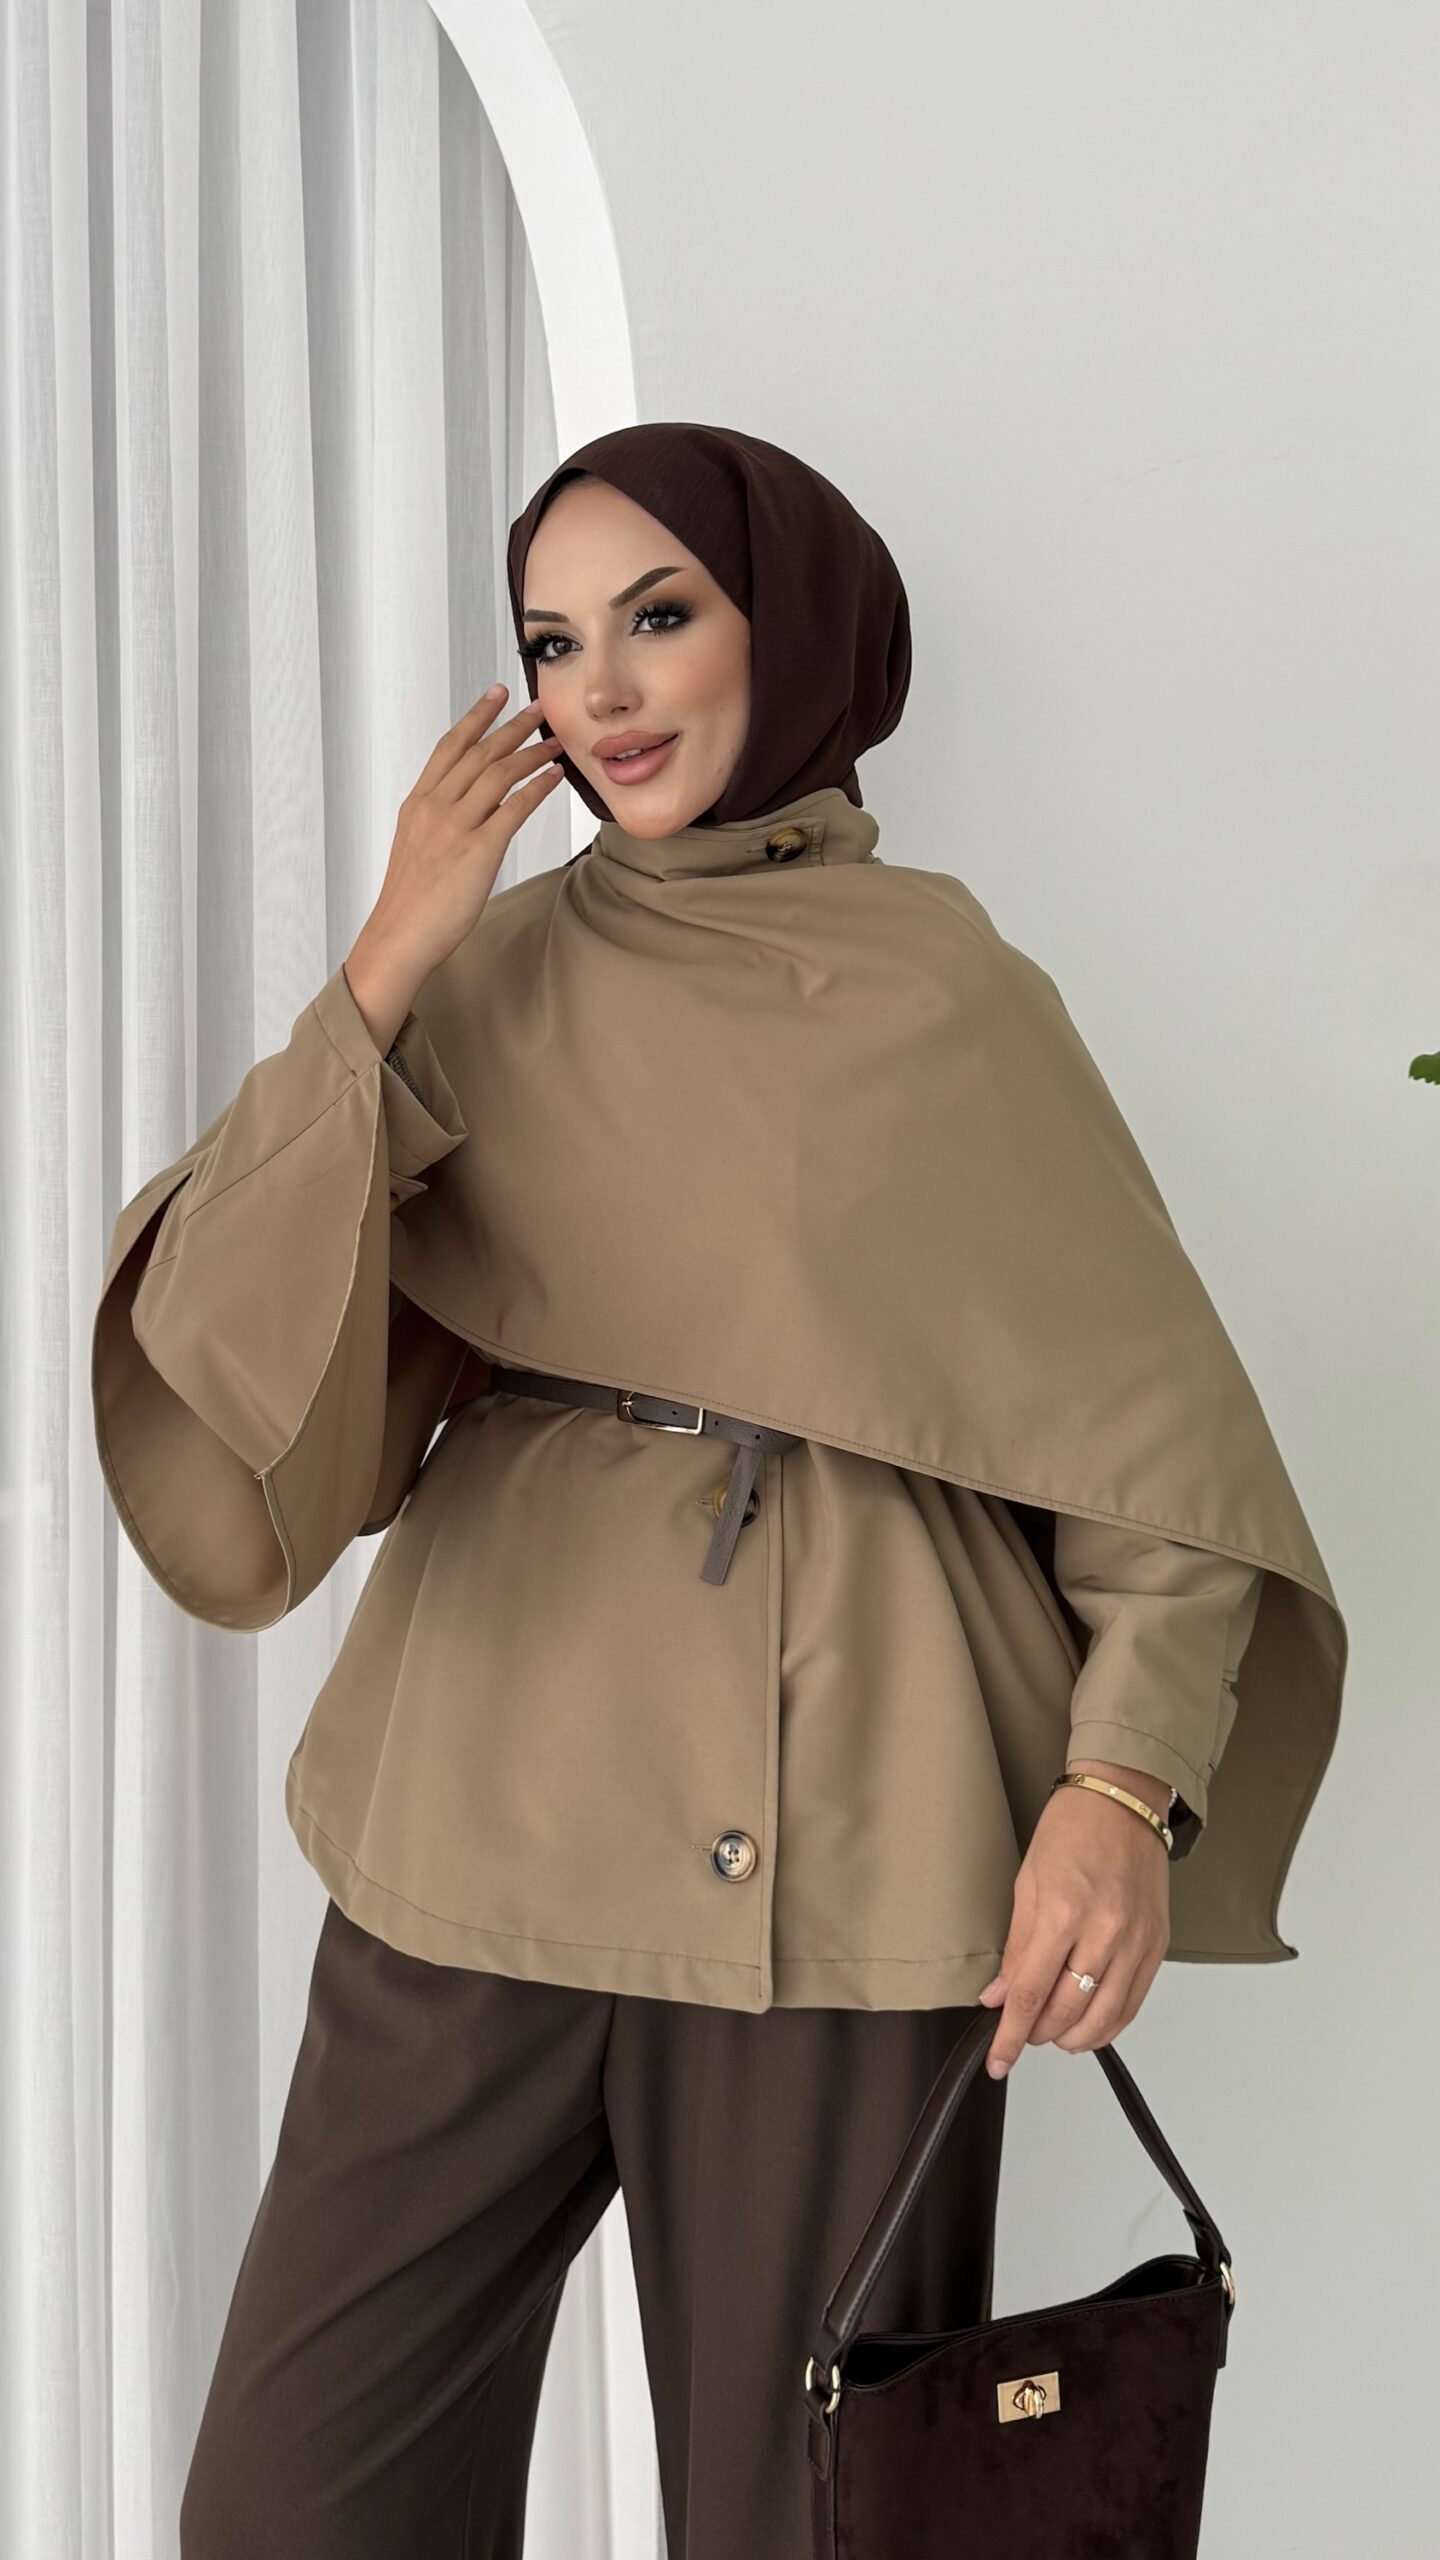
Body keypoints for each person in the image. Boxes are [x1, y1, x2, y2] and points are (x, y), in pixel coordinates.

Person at [91, 422, 1344, 2558]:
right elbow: (232, 1346)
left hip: (849, 1841)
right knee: (294, 2504)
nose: (600, 690)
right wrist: (387, 959)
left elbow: (1146, 1447)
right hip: (482, 1808)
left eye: (658, 616)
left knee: (817, 2520)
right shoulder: (482, 977)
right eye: (551, 642)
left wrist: (1119, 1792)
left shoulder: (951, 997)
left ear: (798, 628)